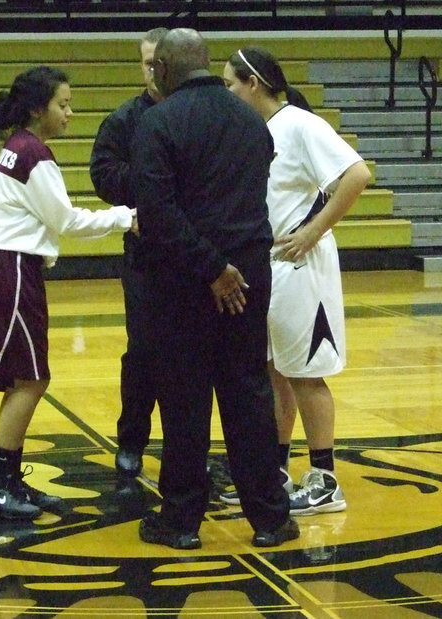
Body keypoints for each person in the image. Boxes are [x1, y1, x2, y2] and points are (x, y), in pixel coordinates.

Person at [130, 28, 299, 549]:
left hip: (184, 283)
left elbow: (158, 213)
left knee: (184, 401)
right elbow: (247, 199)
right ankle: (271, 519)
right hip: (248, 279)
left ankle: (181, 522)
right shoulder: (253, 121)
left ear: (162, 69)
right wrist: (229, 269)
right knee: (248, 394)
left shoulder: (157, 123)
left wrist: (210, 268)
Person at [0, 65, 136, 520]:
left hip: (5, 266)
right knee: (32, 378)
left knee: (24, 376)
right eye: (63, 104)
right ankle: (0, 483)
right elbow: (66, 221)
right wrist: (125, 216)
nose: (70, 113)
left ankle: (4, 480)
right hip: (12, 270)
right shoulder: (33, 153)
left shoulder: (16, 147)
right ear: (38, 109)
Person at [222, 47, 372, 516]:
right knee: (277, 373)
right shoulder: (257, 131)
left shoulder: (302, 125)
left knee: (306, 374)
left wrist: (312, 230)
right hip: (270, 267)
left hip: (302, 267)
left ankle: (325, 480)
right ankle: (275, 470)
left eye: (229, 83)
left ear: (253, 83)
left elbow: (357, 174)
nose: (226, 92)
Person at [89, 27, 168, 479]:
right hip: (144, 253)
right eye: (146, 63)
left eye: (159, 62)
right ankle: (131, 439)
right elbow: (102, 173)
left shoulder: (195, 113)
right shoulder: (123, 119)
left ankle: (187, 445)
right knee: (142, 353)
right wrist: (152, 184)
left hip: (196, 255)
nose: (153, 71)